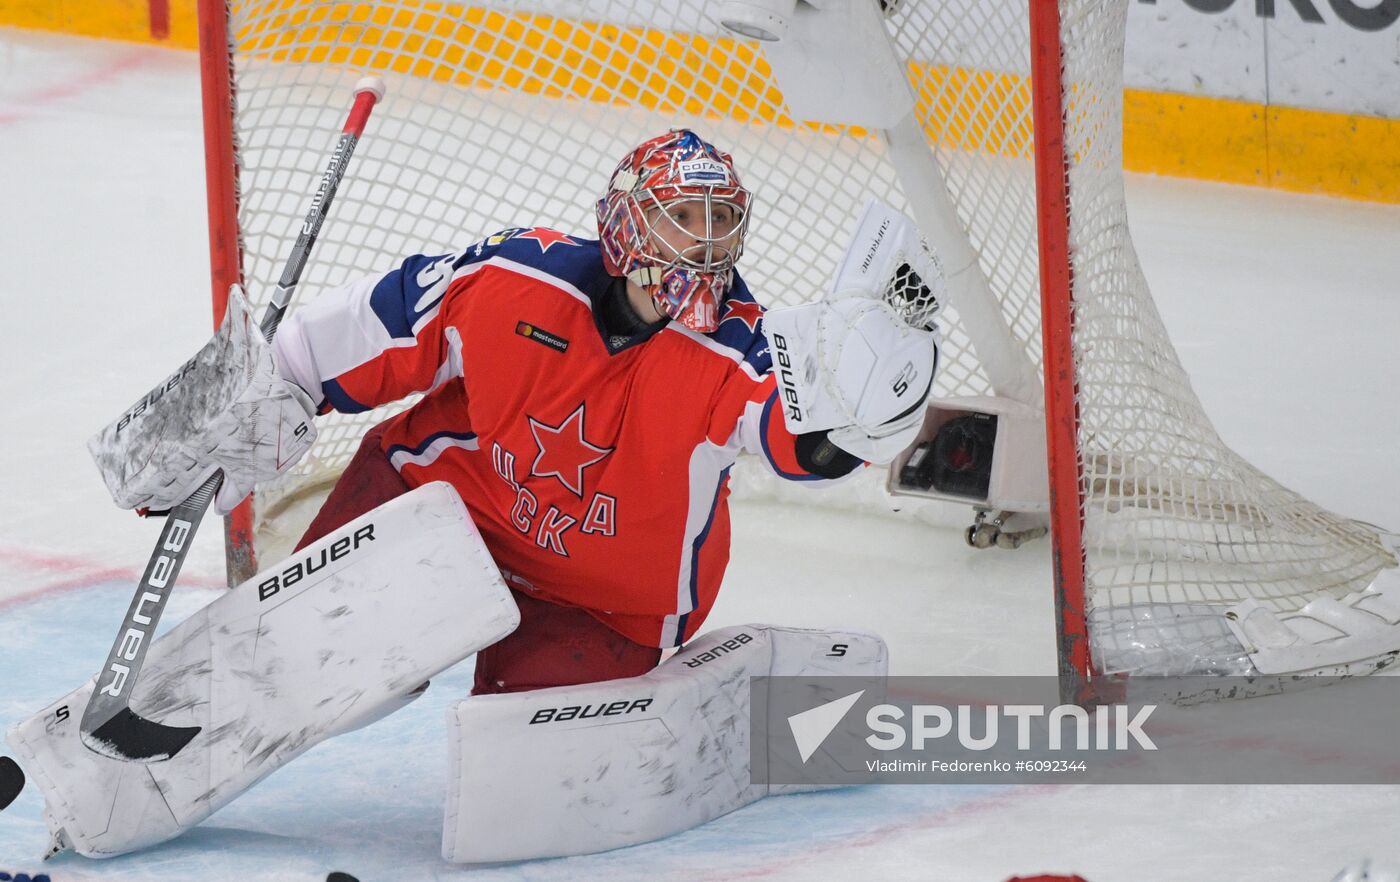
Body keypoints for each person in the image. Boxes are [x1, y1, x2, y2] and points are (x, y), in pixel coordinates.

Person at [112, 127, 939, 697]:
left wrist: (861, 427)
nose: (704, 244)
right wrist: (270, 391)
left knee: (517, 740)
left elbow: (796, 442)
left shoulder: (739, 349)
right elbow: (383, 324)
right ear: (623, 227)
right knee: (305, 647)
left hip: (611, 600)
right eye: (680, 219)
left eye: (720, 221)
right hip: (445, 504)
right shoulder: (519, 279)